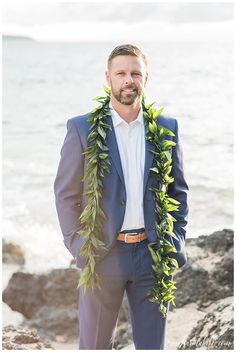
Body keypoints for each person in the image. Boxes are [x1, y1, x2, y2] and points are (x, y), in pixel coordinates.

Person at [54, 44, 189, 349]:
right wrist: (79, 246)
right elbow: (65, 194)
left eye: (135, 73)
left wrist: (176, 241)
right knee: (94, 346)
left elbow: (178, 191)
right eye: (122, 73)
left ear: (145, 79)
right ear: (108, 78)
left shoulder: (167, 128)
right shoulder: (82, 129)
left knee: (152, 346)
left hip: (151, 256)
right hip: (103, 255)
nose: (129, 80)